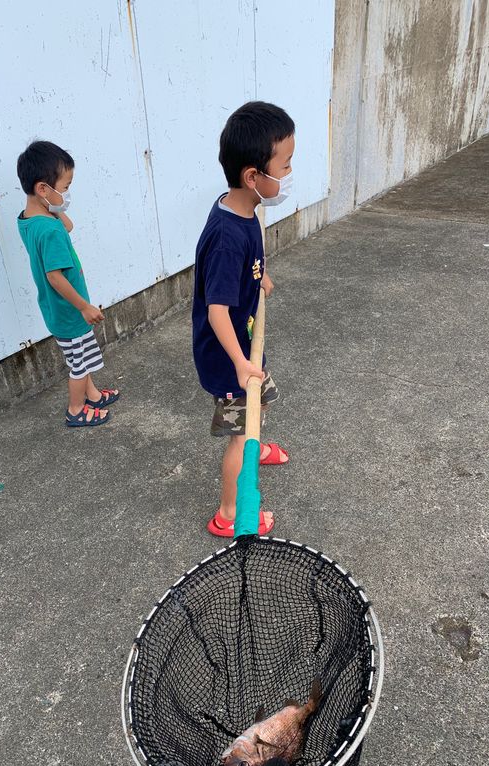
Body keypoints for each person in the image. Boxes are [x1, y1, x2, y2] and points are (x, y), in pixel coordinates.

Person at [192, 101, 295, 536]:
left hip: (246, 338)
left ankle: (258, 438)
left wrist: (261, 275)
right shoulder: (227, 237)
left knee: (262, 391)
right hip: (228, 353)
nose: (288, 174)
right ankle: (229, 513)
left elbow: (247, 262)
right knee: (238, 432)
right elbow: (216, 310)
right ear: (253, 177)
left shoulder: (242, 207)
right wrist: (237, 362)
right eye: (284, 166)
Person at [16, 140, 119, 427]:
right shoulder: (49, 230)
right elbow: (55, 276)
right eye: (65, 187)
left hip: (59, 309)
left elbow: (69, 225)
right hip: (70, 310)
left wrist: (55, 206)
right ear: (42, 189)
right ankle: (76, 410)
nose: (67, 194)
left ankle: (94, 395)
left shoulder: (29, 220)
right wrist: (84, 307)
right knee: (79, 365)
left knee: (82, 356)